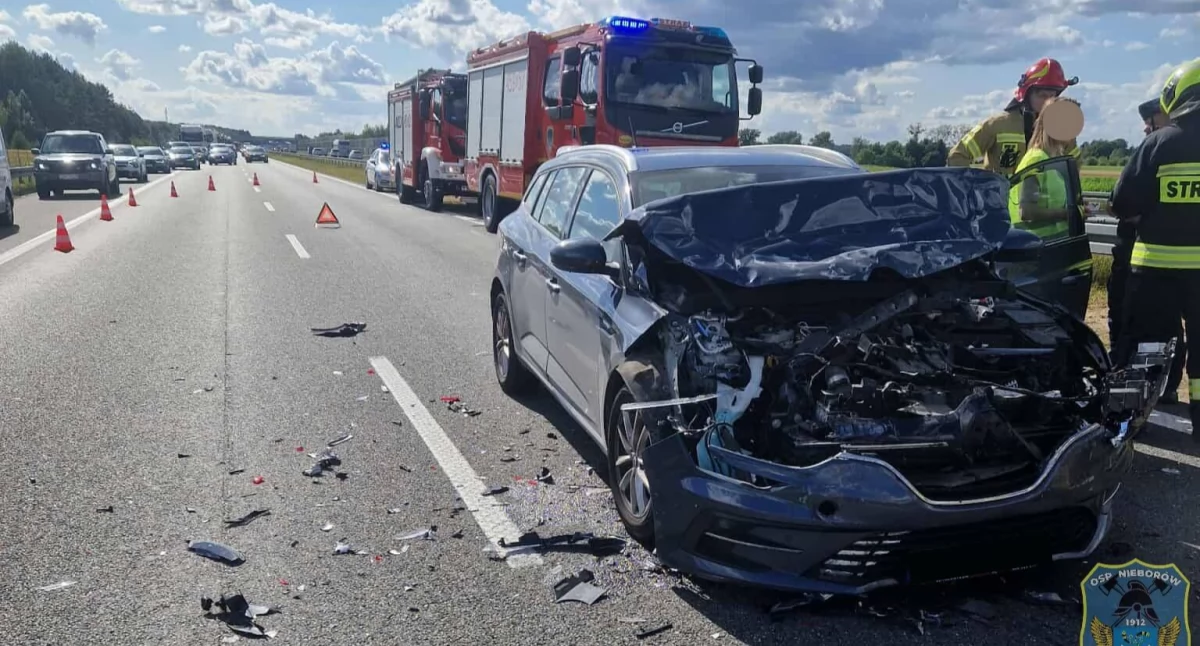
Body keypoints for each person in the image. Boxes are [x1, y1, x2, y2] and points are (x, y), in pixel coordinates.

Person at [1112, 58, 1200, 432]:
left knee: (1150, 346)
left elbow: (1122, 201)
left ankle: (1145, 419)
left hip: (1155, 271)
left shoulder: (1160, 143)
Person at [1110, 98, 1186, 402]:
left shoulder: (1157, 148)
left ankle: (1150, 390)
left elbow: (1123, 201)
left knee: (1150, 328)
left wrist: (1144, 216)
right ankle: (1165, 388)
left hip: (1153, 260)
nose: (1146, 126)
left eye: (1151, 118)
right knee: (1169, 330)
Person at [948, 58, 1081, 177]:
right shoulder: (996, 125)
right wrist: (976, 191)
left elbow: (1074, 168)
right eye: (1042, 95)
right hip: (1000, 204)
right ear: (1027, 95)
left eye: (1052, 96)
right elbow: (958, 156)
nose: (1048, 102)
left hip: (1042, 205)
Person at [1007, 96, 1082, 240]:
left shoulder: (1052, 159)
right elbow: (1027, 211)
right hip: (1035, 248)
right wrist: (1067, 214)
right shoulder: (1036, 160)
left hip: (1055, 245)